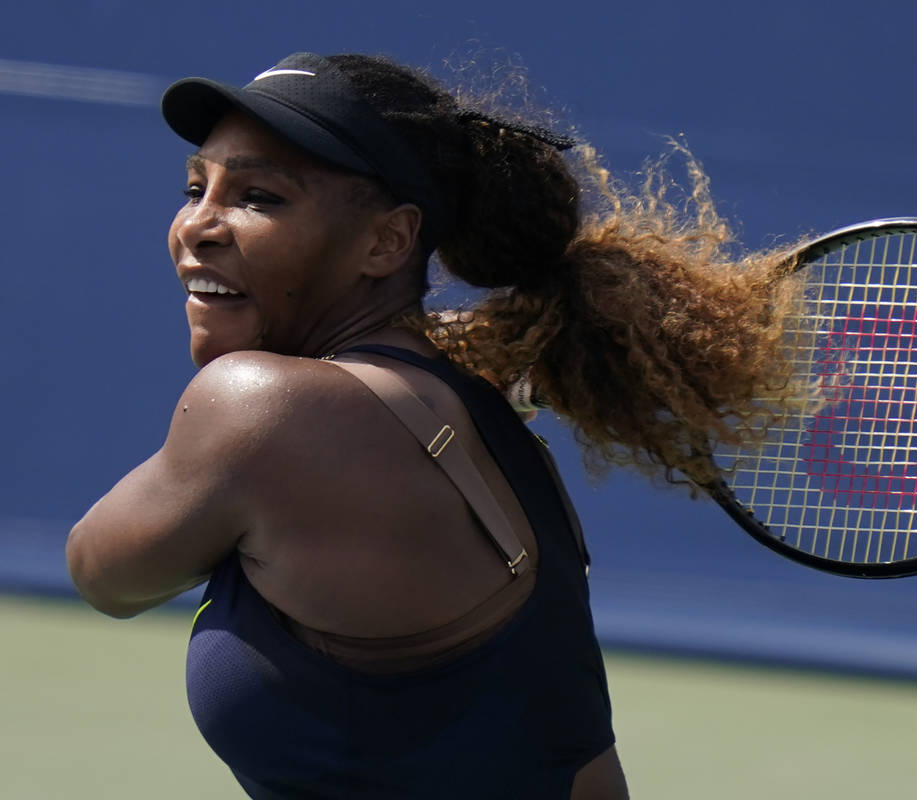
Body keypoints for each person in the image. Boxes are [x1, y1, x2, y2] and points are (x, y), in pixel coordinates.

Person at [65, 52, 801, 799]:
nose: (197, 225)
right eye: (196, 187)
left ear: (387, 242)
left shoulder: (261, 408)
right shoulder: (474, 413)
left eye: (258, 197)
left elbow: (103, 574)